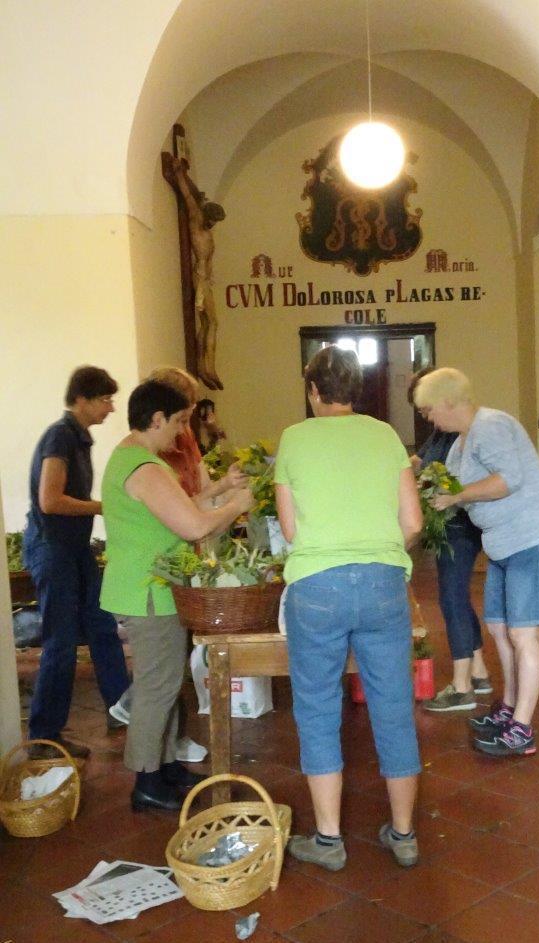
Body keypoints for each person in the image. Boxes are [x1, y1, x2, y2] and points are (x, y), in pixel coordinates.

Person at [275, 345, 423, 871]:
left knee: (317, 708)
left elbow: (289, 530)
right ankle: (403, 834)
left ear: (314, 390)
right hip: (384, 583)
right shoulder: (385, 436)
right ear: (354, 389)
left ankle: (329, 840)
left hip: (316, 585)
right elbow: (413, 522)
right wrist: (378, 554)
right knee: (394, 706)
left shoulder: (294, 438)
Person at [100, 380, 253, 811]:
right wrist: (236, 506)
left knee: (168, 683)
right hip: (149, 592)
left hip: (155, 588)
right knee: (156, 687)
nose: (182, 432)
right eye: (179, 422)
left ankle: (166, 766)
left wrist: (219, 492)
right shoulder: (143, 467)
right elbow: (193, 526)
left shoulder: (137, 460)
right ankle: (147, 781)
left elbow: (183, 507)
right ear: (156, 419)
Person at [414, 368, 539, 756]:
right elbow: (443, 484)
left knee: (523, 634)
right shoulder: (460, 443)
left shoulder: (491, 426)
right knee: (499, 628)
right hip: (502, 545)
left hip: (532, 538)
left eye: (429, 409)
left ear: (448, 401)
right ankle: (509, 708)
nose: (429, 418)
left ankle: (522, 729)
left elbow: (508, 480)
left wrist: (456, 496)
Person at [24, 366, 129, 759]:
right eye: (104, 399)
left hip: (75, 548)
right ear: (81, 399)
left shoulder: (78, 438)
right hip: (53, 548)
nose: (110, 407)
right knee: (61, 642)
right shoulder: (60, 435)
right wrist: (104, 506)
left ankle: (122, 709)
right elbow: (50, 500)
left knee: (102, 627)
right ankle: (44, 737)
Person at [407, 369, 491, 713]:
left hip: (461, 525)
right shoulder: (442, 432)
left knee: (452, 597)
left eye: (427, 409)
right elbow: (419, 462)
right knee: (457, 596)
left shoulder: (467, 433)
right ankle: (479, 671)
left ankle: (462, 686)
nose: (426, 416)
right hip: (452, 525)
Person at [173, 157, 225, 391]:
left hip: (205, 279)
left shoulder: (204, 226)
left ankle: (205, 366)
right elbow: (188, 198)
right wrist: (179, 174)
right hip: (200, 278)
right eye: (213, 219)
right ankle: (207, 367)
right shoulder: (196, 219)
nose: (213, 224)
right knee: (212, 322)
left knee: (207, 323)